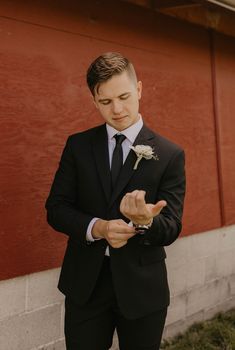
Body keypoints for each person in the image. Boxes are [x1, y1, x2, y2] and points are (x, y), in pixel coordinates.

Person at [45, 52, 186, 350]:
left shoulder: (170, 154)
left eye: (124, 96)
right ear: (93, 101)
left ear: (139, 90)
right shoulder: (78, 145)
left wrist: (147, 221)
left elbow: (172, 226)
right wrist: (99, 228)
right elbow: (56, 209)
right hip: (86, 285)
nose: (118, 109)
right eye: (106, 102)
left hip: (143, 288)